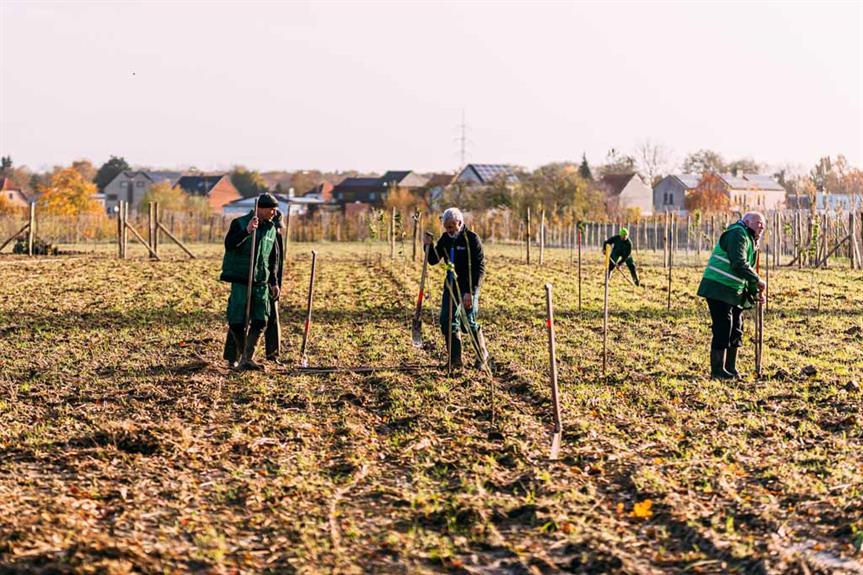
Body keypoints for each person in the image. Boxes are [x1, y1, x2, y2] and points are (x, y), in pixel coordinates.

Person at [697, 211, 766, 380]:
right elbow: (739, 263)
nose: (762, 227)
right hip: (718, 287)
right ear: (747, 221)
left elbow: (747, 272)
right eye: (758, 223)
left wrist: (755, 292)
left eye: (763, 225)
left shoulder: (752, 242)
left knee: (736, 327)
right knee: (723, 326)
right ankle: (717, 371)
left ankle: (731, 368)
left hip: (733, 291)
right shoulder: (737, 233)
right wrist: (758, 280)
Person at [220, 193, 281, 371]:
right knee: (237, 321)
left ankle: (247, 358)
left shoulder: (271, 229)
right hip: (241, 279)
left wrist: (274, 281)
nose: (274, 212)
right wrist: (247, 231)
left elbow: (272, 258)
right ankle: (243, 356)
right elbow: (229, 244)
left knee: (261, 320)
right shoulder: (239, 223)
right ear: (260, 209)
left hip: (261, 281)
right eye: (271, 209)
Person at [424, 208, 488, 369]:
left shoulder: (472, 239)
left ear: (459, 223)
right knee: (447, 321)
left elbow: (480, 267)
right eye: (446, 227)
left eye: (451, 226)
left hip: (469, 286)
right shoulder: (446, 239)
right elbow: (433, 259)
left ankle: (482, 356)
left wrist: (470, 292)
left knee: (468, 322)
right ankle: (455, 361)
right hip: (451, 285)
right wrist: (428, 246)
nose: (448, 230)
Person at [264, 209, 286, 364]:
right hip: (259, 281)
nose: (277, 229)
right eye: (275, 226)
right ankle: (238, 356)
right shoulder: (263, 236)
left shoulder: (277, 236)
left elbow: (277, 264)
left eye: (279, 227)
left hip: (273, 283)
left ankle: (273, 354)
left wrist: (276, 283)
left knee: (273, 318)